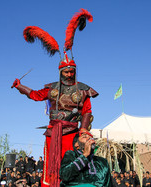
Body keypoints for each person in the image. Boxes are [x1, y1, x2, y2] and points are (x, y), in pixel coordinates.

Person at [12, 9, 96, 187]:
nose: (69, 73)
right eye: (66, 71)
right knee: (52, 165)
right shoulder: (52, 89)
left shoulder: (83, 90)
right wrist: (19, 86)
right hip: (53, 132)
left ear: (75, 71)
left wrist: (84, 130)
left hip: (73, 134)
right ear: (60, 72)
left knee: (72, 164)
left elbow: (87, 111)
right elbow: (34, 95)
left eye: (71, 71)